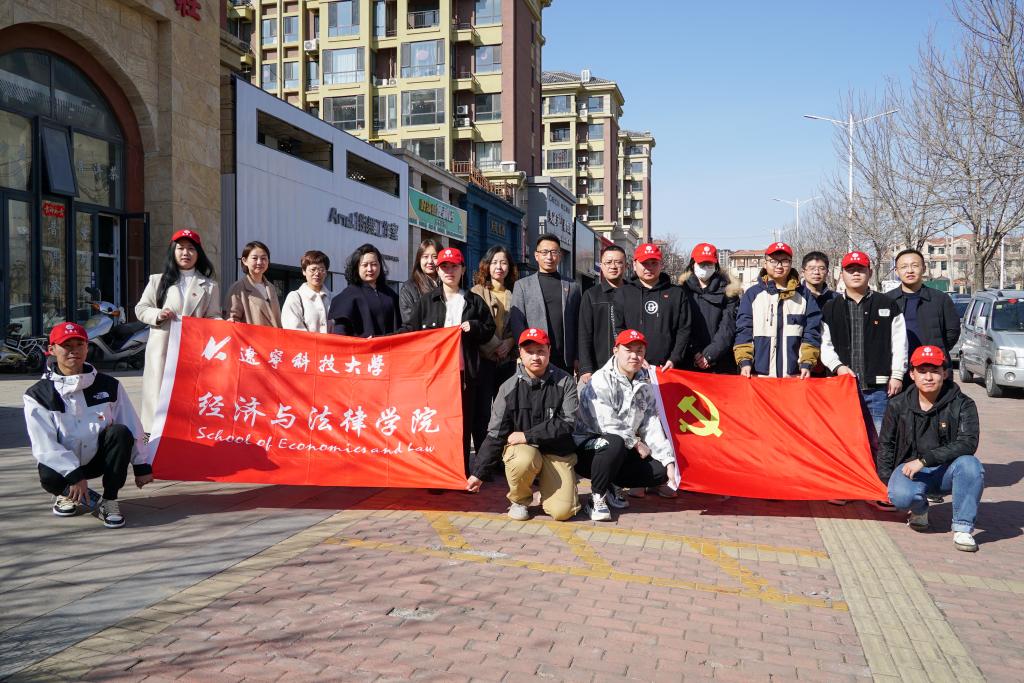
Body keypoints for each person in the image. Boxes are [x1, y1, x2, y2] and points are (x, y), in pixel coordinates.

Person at [24, 322, 153, 528]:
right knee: (49, 477)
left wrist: (141, 465)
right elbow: (44, 445)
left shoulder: (109, 385)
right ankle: (67, 493)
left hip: (97, 459)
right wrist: (74, 476)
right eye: (67, 346)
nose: (74, 351)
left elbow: (130, 423)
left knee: (120, 432)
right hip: (63, 466)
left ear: (87, 348)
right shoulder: (38, 394)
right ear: (52, 349)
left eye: (79, 345)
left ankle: (109, 501)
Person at [877, 345, 984, 552]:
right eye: (922, 371)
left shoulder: (963, 404)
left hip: (945, 471)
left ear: (945, 373)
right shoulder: (897, 404)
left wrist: (925, 460)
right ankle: (919, 510)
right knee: (900, 496)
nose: (928, 377)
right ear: (912, 374)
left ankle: (963, 528)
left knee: (971, 465)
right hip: (909, 471)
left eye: (934, 371)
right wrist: (887, 481)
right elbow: (886, 444)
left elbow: (968, 443)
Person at [467, 328, 580, 521]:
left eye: (540, 351)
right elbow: (495, 434)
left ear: (549, 351)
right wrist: (478, 473)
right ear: (520, 353)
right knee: (522, 459)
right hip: (524, 452)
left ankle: (550, 492)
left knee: (563, 512)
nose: (535, 357)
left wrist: (527, 435)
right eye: (529, 352)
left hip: (557, 451)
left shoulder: (566, 381)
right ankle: (519, 500)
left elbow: (568, 422)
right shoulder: (508, 387)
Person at [401, 247, 495, 473]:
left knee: (462, 424)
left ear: (463, 269)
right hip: (435, 377)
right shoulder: (427, 301)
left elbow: (489, 329)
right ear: (438, 270)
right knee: (436, 424)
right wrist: (380, 340)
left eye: (454, 266)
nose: (449, 271)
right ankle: (436, 472)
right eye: (444, 267)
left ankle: (460, 471)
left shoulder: (473, 301)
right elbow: (409, 331)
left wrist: (475, 327)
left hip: (465, 376)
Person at [574, 330, 680, 521]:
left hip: (622, 447)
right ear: (616, 351)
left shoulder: (644, 383)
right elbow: (607, 423)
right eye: (628, 350)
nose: (634, 356)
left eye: (639, 351)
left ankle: (611, 484)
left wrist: (668, 460)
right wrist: (636, 443)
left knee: (659, 470)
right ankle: (596, 498)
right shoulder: (600, 379)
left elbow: (651, 424)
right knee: (613, 442)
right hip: (587, 449)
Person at [135, 229, 221, 432]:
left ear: (198, 253)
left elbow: (214, 316)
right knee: (158, 397)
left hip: (193, 350)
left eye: (191, 249)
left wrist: (222, 325)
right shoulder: (158, 280)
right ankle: (154, 438)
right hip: (162, 348)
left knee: (188, 397)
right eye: (181, 248)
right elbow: (141, 309)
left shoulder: (209, 285)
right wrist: (158, 314)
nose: (185, 253)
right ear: (173, 251)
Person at [821, 251, 907, 434]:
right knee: (844, 439)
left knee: (878, 440)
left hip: (878, 391)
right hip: (841, 388)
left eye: (860, 269)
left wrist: (898, 374)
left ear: (870, 272)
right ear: (841, 274)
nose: (855, 273)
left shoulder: (888, 304)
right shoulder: (830, 308)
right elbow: (824, 345)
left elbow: (900, 343)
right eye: (850, 270)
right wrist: (838, 367)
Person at [734, 242, 821, 378]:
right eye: (774, 261)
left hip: (795, 376)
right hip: (759, 376)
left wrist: (807, 363)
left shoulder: (804, 295)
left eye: (784, 261)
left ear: (791, 263)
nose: (779, 266)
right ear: (765, 263)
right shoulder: (752, 295)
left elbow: (812, 332)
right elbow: (744, 330)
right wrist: (745, 361)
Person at [507, 234, 581, 373]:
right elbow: (517, 323)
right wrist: (524, 351)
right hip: (534, 356)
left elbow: (579, 324)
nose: (549, 257)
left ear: (560, 255)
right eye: (544, 252)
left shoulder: (573, 287)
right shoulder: (522, 285)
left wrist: (577, 356)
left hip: (565, 358)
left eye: (554, 252)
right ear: (536, 255)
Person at [470, 245, 518, 453]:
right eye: (495, 262)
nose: (499, 267)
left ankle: (505, 453)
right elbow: (475, 324)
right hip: (483, 359)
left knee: (506, 409)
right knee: (482, 412)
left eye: (504, 262)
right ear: (487, 266)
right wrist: (496, 346)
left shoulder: (516, 292)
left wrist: (510, 342)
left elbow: (521, 324)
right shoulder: (476, 292)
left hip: (507, 360)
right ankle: (483, 455)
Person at [612, 242, 690, 370]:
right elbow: (619, 329)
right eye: (645, 263)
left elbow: (684, 329)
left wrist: (674, 358)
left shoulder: (677, 293)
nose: (649, 268)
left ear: (661, 264)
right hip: (633, 366)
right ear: (634, 265)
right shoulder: (623, 293)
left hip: (667, 368)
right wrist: (636, 357)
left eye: (654, 263)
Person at [887, 249, 961, 360]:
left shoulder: (940, 299)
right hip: (897, 365)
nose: (910, 270)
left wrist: (938, 351)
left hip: (932, 365)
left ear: (924, 269)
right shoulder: (887, 301)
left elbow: (952, 331)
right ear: (896, 271)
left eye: (915, 266)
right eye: (904, 267)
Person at [679, 243, 740, 373]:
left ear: (716, 265)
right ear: (693, 264)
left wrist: (710, 355)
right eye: (702, 264)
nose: (705, 268)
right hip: (690, 361)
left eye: (709, 264)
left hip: (722, 362)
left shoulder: (729, 291)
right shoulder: (682, 291)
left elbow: (728, 326)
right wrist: (696, 352)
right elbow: (682, 326)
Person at [578, 244, 626, 384]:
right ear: (601, 266)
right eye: (608, 262)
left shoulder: (633, 292)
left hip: (629, 365)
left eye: (618, 262)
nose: (613, 266)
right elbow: (584, 333)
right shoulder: (591, 295)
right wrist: (586, 368)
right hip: (600, 366)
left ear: (626, 266)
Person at [329, 243, 400, 337]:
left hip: (389, 345)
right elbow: (340, 334)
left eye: (374, 264)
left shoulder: (391, 295)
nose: (370, 269)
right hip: (363, 346)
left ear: (380, 266)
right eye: (365, 265)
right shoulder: (347, 296)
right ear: (357, 268)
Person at [224, 240, 281, 327]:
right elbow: (233, 320)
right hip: (250, 335)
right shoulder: (238, 288)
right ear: (244, 261)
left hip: (273, 335)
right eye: (255, 258)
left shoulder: (271, 288)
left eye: (263, 258)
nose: (259, 262)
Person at [281, 250, 333, 333]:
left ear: (326, 272)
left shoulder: (334, 298)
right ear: (304, 271)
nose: (317, 273)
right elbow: (293, 330)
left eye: (321, 269)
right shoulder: (295, 297)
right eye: (313, 269)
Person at [399, 238, 440, 326]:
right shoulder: (408, 288)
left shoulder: (448, 285)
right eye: (425, 257)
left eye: (435, 257)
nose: (430, 261)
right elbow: (409, 322)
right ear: (419, 259)